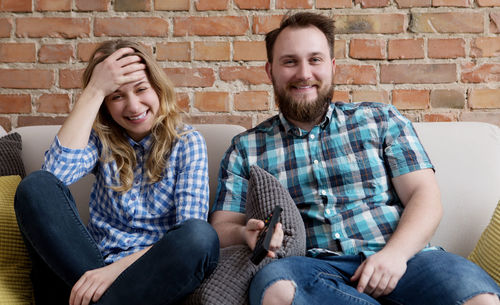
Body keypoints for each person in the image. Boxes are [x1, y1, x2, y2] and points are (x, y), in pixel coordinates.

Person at [210, 12, 500, 305]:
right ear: (270, 71)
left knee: (482, 300)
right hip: (316, 270)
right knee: (277, 289)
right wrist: (243, 233)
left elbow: (424, 195)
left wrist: (394, 255)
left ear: (333, 67)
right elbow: (221, 228)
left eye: (315, 60)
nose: (304, 73)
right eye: (290, 62)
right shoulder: (246, 148)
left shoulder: (381, 119)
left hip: (406, 260)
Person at [14, 40, 219, 305]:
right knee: (36, 186)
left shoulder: (187, 142)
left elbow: (187, 234)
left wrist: (111, 273)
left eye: (141, 89)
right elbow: (53, 176)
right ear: (105, 105)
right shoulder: (100, 140)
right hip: (83, 272)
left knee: (200, 236)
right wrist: (95, 89)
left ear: (158, 88)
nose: (133, 107)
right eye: (117, 96)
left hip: (146, 279)